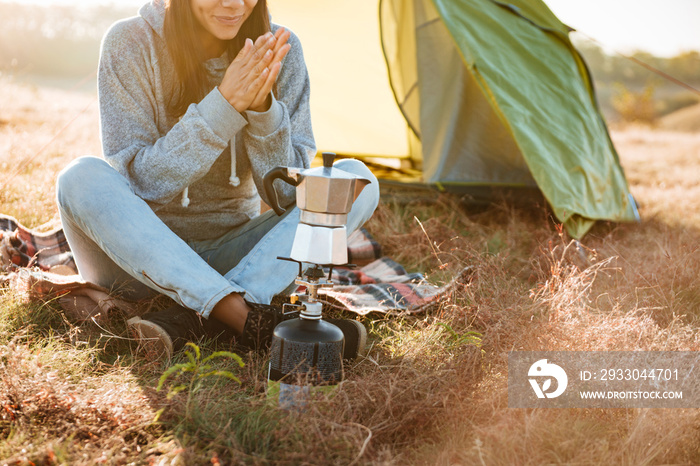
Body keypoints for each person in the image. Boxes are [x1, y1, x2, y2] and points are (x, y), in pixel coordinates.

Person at [55, 0, 379, 360]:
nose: (234, 4)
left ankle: (204, 314)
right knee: (79, 176)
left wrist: (263, 112)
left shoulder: (279, 49)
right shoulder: (129, 42)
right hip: (135, 264)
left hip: (239, 256)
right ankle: (241, 315)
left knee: (355, 180)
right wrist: (224, 106)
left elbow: (288, 195)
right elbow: (142, 181)